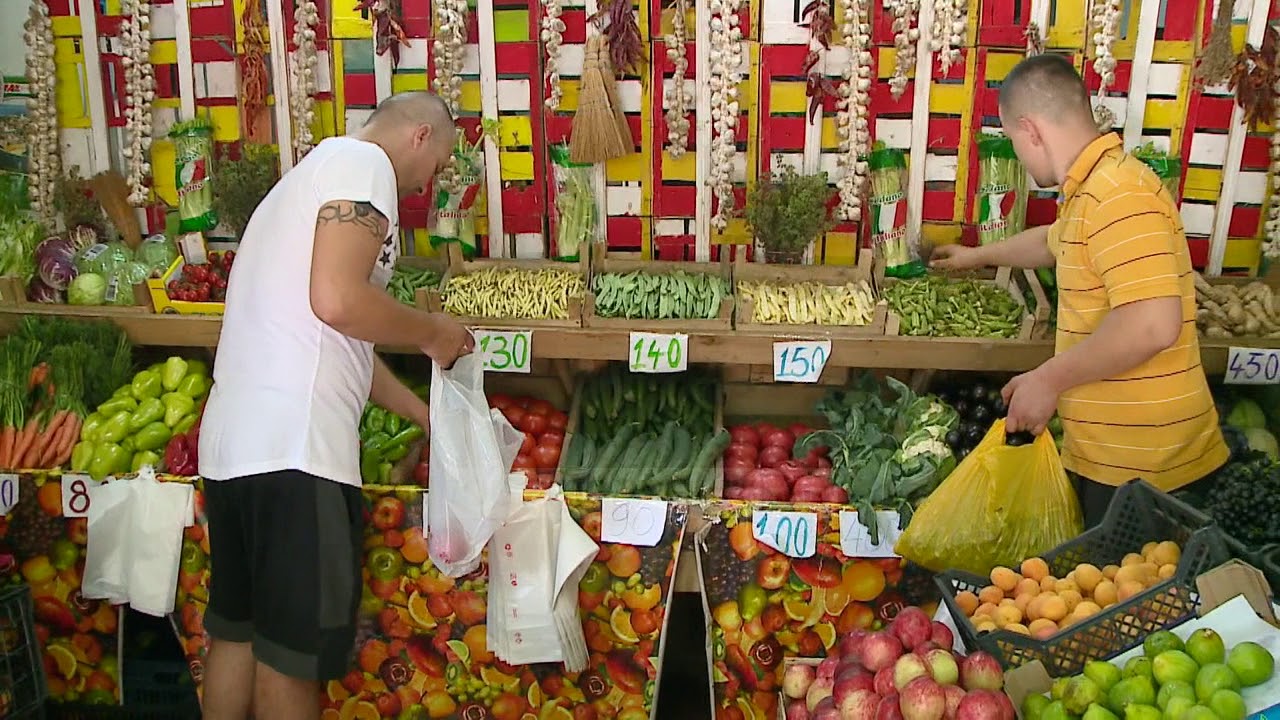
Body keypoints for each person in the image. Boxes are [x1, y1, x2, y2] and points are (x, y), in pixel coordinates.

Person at [197, 91, 474, 720]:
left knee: (239, 633)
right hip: (296, 456)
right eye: (439, 164)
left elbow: (336, 337)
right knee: (290, 657)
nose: (429, 184)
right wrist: (433, 333)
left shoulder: (308, 179)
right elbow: (338, 301)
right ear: (420, 137)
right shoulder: (363, 165)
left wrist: (421, 413)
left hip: (235, 450)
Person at [931, 54, 1228, 527]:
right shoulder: (1091, 189)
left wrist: (1048, 379)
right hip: (1117, 458)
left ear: (1030, 130)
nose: (1021, 156)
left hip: (1148, 469)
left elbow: (1152, 323)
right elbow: (1054, 242)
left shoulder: (1118, 194)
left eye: (1013, 141)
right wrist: (976, 256)